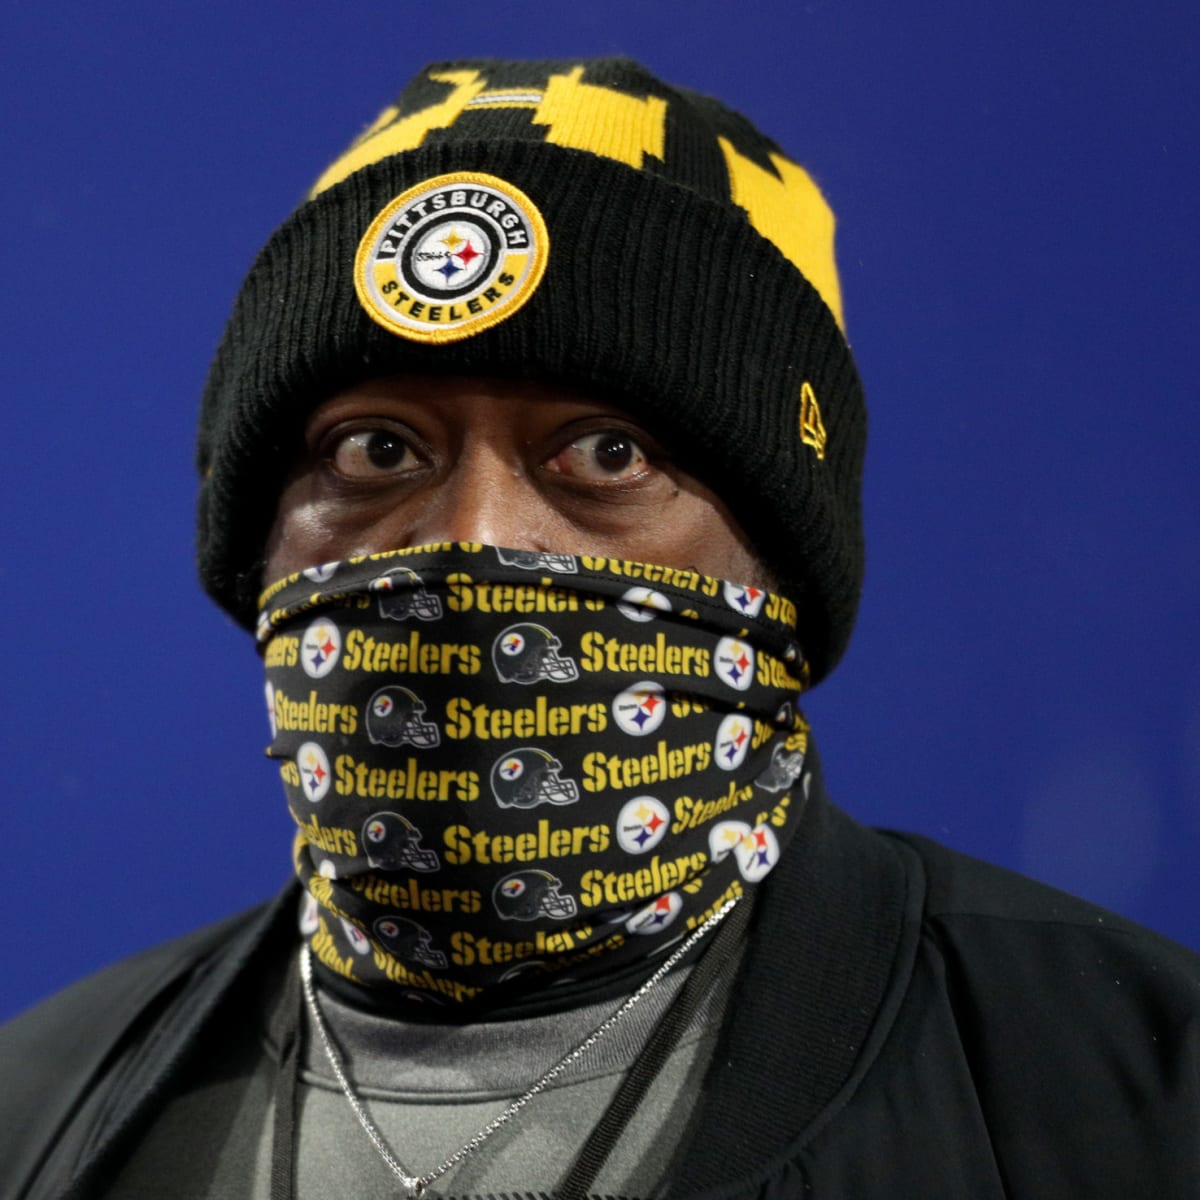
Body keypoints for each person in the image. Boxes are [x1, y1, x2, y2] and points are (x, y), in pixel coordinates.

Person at [2, 56, 1198, 1200]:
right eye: (377, 450)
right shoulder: (35, 1109)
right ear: (258, 542)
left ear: (783, 559)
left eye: (605, 454)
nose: (472, 539)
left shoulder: (1139, 1084)